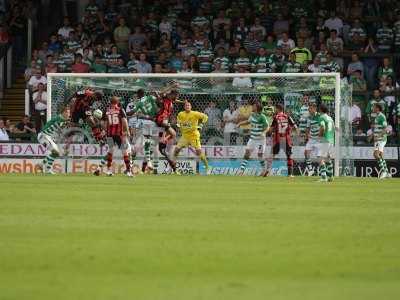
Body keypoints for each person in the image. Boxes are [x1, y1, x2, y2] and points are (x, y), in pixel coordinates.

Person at [94, 97, 132, 177]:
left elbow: (103, 123)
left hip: (110, 134)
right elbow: (124, 121)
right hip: (119, 135)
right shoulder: (120, 110)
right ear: (117, 102)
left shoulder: (106, 111)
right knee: (124, 151)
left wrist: (106, 131)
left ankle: (108, 170)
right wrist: (127, 131)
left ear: (110, 102)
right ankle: (128, 171)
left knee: (110, 151)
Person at [170, 101, 209, 175]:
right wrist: (178, 125)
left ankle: (207, 167)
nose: (187, 106)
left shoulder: (195, 113)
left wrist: (201, 124)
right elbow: (179, 122)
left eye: (189, 105)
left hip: (194, 135)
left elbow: (205, 117)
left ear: (191, 107)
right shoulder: (181, 114)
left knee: (198, 152)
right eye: (186, 105)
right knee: (176, 150)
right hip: (185, 136)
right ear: (184, 107)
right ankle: (174, 169)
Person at [262, 104, 297, 177]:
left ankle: (267, 171)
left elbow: (271, 129)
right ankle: (290, 174)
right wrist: (293, 133)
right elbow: (295, 127)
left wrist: (269, 132)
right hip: (286, 139)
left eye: (275, 109)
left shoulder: (276, 117)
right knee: (289, 156)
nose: (275, 110)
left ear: (278, 109)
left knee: (272, 155)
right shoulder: (288, 117)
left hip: (278, 139)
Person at [237, 101, 269, 175]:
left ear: (257, 108)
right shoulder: (252, 115)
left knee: (260, 155)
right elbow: (248, 122)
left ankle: (264, 170)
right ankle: (241, 171)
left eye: (253, 106)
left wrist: (264, 132)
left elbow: (267, 127)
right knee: (247, 153)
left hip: (261, 140)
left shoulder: (262, 117)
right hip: (252, 139)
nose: (252, 107)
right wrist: (240, 123)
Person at [132, 89, 159, 173]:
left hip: (145, 125)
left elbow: (139, 115)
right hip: (151, 124)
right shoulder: (150, 98)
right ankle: (151, 167)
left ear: (139, 95)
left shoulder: (139, 103)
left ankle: (147, 167)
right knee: (152, 146)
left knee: (139, 147)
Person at [37, 106, 70, 174]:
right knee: (56, 152)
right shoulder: (59, 118)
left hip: (48, 137)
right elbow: (59, 125)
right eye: (67, 112)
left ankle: (41, 164)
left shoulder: (62, 120)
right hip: (44, 136)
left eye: (69, 113)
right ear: (63, 112)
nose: (68, 114)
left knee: (55, 153)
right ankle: (47, 169)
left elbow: (60, 130)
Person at [372, 103, 391, 179]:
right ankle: (387, 172)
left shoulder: (381, 116)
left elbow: (386, 128)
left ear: (377, 108)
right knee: (380, 155)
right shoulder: (377, 116)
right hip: (378, 139)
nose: (372, 108)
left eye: (374, 107)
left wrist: (378, 136)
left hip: (381, 139)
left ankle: (383, 171)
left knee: (376, 154)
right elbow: (378, 128)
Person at [317, 104, 335, 182]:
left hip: (325, 139)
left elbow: (323, 127)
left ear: (321, 110)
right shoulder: (330, 118)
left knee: (320, 158)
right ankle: (330, 176)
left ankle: (324, 177)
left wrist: (320, 136)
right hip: (331, 140)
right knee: (328, 158)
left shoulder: (321, 117)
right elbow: (333, 129)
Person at [304, 103, 320, 176]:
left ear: (314, 108)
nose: (309, 110)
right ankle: (310, 170)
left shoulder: (319, 116)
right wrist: (306, 136)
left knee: (320, 156)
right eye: (308, 109)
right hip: (312, 138)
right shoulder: (309, 118)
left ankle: (325, 171)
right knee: (306, 153)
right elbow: (307, 128)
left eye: (310, 109)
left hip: (319, 139)